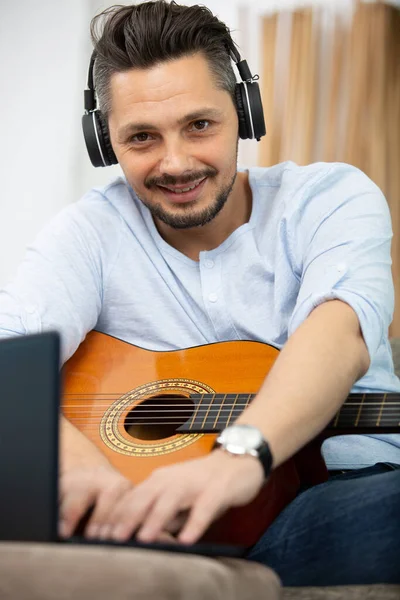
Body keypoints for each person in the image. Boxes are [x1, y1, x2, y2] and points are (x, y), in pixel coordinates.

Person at [1, 0, 399, 586]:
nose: (176, 162)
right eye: (141, 137)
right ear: (104, 144)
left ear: (244, 111)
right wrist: (78, 468)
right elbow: (9, 354)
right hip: (150, 521)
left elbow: (337, 332)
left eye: (199, 125)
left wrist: (239, 458)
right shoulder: (90, 232)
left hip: (331, 491)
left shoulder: (330, 198)